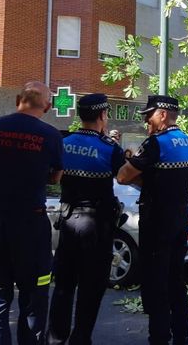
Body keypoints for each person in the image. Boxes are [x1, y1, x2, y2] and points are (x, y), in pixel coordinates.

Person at [0, 81, 64, 344]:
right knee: (34, 300)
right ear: (46, 107)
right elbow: (56, 177)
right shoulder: (51, 135)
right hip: (30, 225)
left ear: (17, 99)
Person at [117, 95, 188, 345]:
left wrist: (127, 159)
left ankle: (159, 337)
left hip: (157, 220)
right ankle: (182, 333)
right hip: (180, 217)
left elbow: (122, 177)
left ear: (162, 114)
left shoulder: (155, 143)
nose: (145, 122)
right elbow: (160, 179)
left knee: (156, 280)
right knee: (176, 277)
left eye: (148, 116)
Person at [48, 94, 125, 344]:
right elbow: (124, 177)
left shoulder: (64, 142)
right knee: (91, 287)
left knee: (64, 284)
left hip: (68, 221)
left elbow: (53, 177)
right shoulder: (110, 148)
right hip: (97, 225)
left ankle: (56, 337)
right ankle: (80, 338)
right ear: (102, 115)